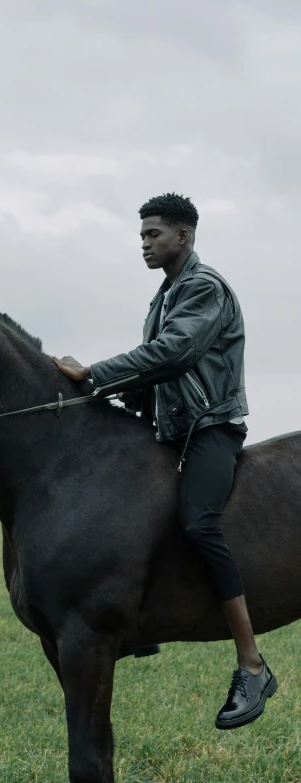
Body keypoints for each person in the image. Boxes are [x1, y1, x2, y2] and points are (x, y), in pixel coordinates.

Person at [53, 192, 277, 730]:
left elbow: (173, 353)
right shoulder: (164, 295)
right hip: (172, 428)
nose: (145, 245)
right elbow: (163, 377)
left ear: (184, 235)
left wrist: (95, 375)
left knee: (198, 521)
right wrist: (121, 399)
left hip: (211, 429)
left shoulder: (203, 289)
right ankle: (136, 625)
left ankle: (251, 665)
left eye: (154, 235)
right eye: (141, 237)